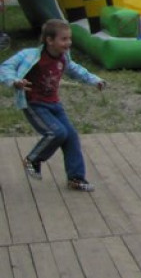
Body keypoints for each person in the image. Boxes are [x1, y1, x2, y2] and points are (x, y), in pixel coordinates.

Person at [0, 19, 106, 192]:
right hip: (34, 104)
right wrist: (15, 81)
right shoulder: (31, 55)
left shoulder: (63, 58)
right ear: (49, 40)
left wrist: (95, 80)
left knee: (70, 136)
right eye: (63, 39)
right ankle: (32, 159)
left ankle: (76, 178)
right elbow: (5, 67)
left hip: (54, 104)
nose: (68, 43)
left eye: (69, 39)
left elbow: (75, 70)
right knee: (56, 132)